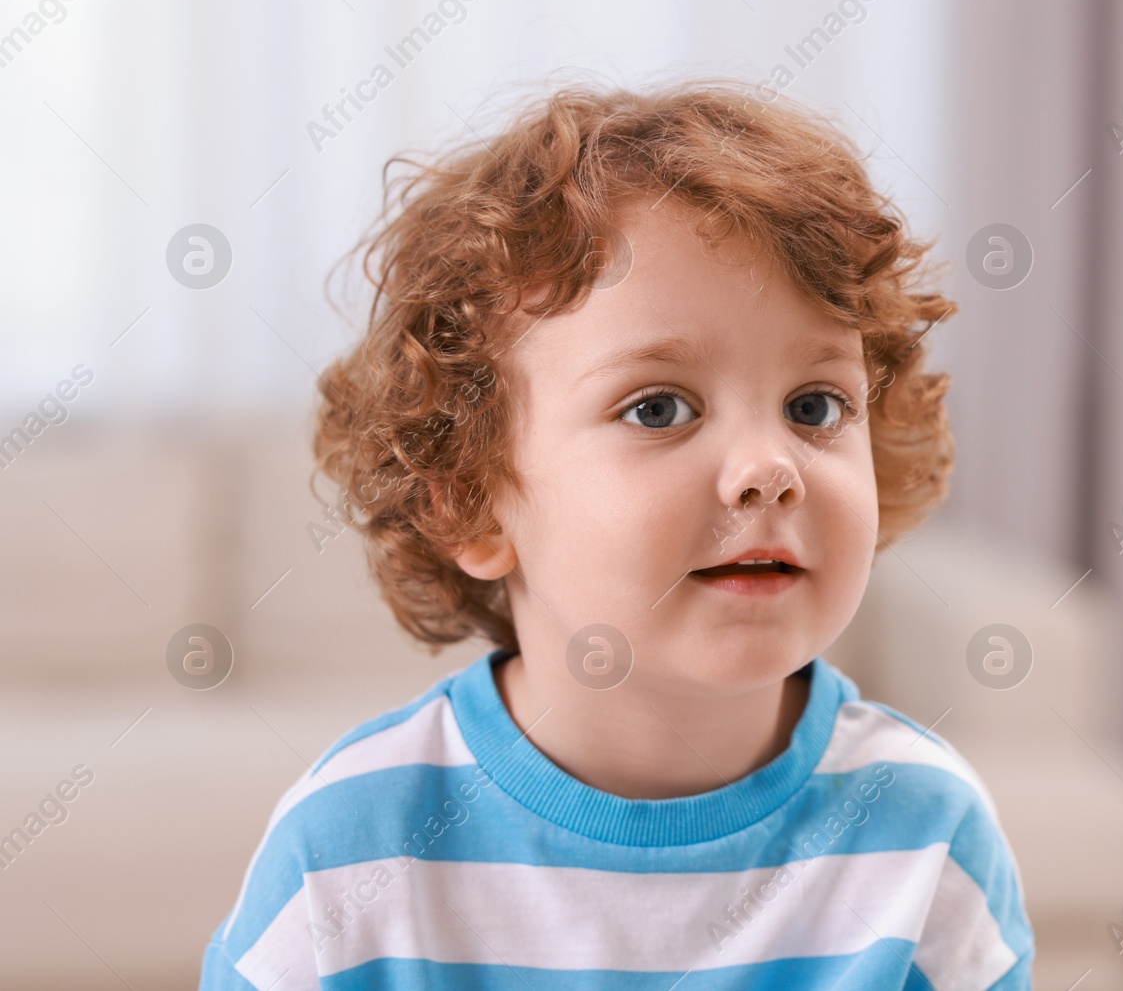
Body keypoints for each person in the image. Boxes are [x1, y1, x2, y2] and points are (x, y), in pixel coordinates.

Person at [199, 81, 1034, 989]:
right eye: (660, 406)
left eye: (815, 405)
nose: (770, 465)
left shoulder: (926, 830)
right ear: (472, 500)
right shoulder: (349, 851)